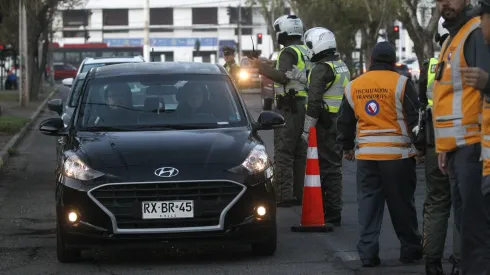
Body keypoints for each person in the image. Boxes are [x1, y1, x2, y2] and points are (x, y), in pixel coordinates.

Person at [337, 42, 422, 267]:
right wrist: (420, 148)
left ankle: (367, 254)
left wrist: (346, 147)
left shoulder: (354, 86)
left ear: (371, 61)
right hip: (398, 157)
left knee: (368, 206)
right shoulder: (402, 84)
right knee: (402, 206)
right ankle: (410, 250)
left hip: (367, 158)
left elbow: (344, 121)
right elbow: (415, 119)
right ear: (393, 62)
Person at [431, 0, 490, 273]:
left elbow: (484, 92)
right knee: (465, 222)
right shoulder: (451, 39)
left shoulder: (476, 32)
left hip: (474, 147)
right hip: (457, 149)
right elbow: (449, 98)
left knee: (474, 227)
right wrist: (444, 146)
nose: (445, 3)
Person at [285, 27, 350, 225]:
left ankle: (331, 212)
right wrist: (303, 78)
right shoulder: (339, 65)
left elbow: (314, 103)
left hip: (326, 124)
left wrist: (306, 129)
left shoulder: (322, 68)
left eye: (310, 45)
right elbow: (325, 85)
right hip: (339, 121)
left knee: (328, 168)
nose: (309, 49)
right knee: (334, 167)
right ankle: (332, 209)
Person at [249, 14, 311, 207]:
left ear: (284, 32)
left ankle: (284, 195)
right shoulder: (305, 50)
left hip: (289, 107)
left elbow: (283, 77)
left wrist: (261, 68)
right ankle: (299, 193)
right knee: (299, 153)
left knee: (284, 152)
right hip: (303, 104)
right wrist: (266, 65)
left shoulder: (287, 52)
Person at [416, 18, 461, 275]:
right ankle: (459, 262)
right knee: (463, 202)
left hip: (436, 141)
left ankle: (432, 263)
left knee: (436, 202)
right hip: (465, 141)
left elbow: (422, 103)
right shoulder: (470, 56)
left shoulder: (430, 65)